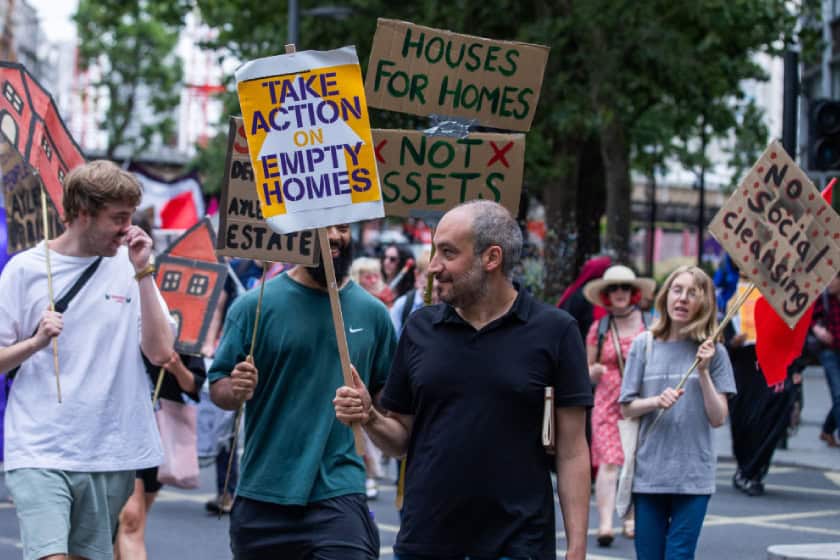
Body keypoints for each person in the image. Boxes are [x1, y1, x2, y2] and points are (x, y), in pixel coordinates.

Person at [335, 200, 593, 560]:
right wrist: (370, 416)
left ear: (492, 258)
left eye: (448, 253)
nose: (434, 266)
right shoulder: (419, 328)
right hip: (426, 541)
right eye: (434, 251)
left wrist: (577, 548)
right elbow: (399, 442)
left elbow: (572, 451)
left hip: (519, 545)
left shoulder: (556, 331)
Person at [0, 160, 175, 560]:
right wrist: (35, 342)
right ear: (82, 213)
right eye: (118, 218)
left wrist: (144, 272)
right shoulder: (25, 270)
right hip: (40, 445)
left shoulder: (132, 265)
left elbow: (161, 352)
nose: (128, 229)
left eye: (130, 217)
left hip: (109, 448)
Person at [208, 223, 397, 560]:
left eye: (342, 227)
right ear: (299, 233)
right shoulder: (254, 306)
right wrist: (235, 388)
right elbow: (219, 387)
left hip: (340, 493)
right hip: (263, 494)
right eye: (324, 227)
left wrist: (370, 411)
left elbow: (391, 401)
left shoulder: (375, 315)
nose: (335, 236)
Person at [619, 265, 735, 559]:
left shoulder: (715, 352)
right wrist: (656, 401)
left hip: (693, 476)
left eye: (692, 293)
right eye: (677, 290)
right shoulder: (643, 345)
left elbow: (718, 417)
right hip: (649, 474)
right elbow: (626, 407)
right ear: (666, 296)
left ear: (704, 303)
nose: (682, 299)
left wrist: (705, 373)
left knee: (679, 555)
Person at [115, 214, 208, 559]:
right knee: (129, 519)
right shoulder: (101, 291)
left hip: (152, 427)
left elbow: (195, 385)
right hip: (112, 424)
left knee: (132, 520)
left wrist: (175, 364)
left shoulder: (167, 299)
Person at [582, 264, 655, 546]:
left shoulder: (650, 325)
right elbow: (586, 369)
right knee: (609, 463)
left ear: (634, 292)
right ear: (606, 295)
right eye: (614, 289)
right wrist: (593, 372)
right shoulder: (598, 328)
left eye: (625, 287)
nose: (620, 293)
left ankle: (631, 518)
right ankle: (604, 524)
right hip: (606, 404)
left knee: (634, 462)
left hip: (639, 402)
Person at [811, 273, 840, 448]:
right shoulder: (824, 298)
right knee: (838, 394)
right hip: (829, 352)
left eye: (833, 279)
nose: (828, 283)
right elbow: (811, 319)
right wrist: (818, 330)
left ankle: (827, 430)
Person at [389, 249, 437, 335]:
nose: (435, 283)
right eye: (428, 277)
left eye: (438, 277)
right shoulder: (403, 305)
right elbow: (393, 341)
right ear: (417, 275)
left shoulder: (448, 304)